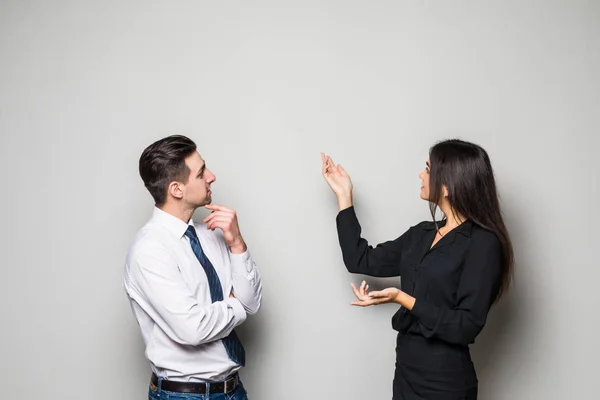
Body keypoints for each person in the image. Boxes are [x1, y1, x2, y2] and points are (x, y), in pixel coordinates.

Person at [321, 139, 513, 400]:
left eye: (427, 168)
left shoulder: (482, 243)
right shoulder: (421, 234)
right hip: (406, 375)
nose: (421, 174)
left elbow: (465, 326)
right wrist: (344, 197)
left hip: (446, 384)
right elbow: (360, 259)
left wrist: (402, 298)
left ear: (448, 184)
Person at [124, 135, 262, 400]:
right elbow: (193, 329)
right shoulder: (149, 250)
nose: (212, 176)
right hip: (183, 396)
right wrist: (236, 304)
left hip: (233, 390)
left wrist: (237, 244)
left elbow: (252, 303)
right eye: (201, 173)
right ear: (177, 189)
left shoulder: (213, 234)